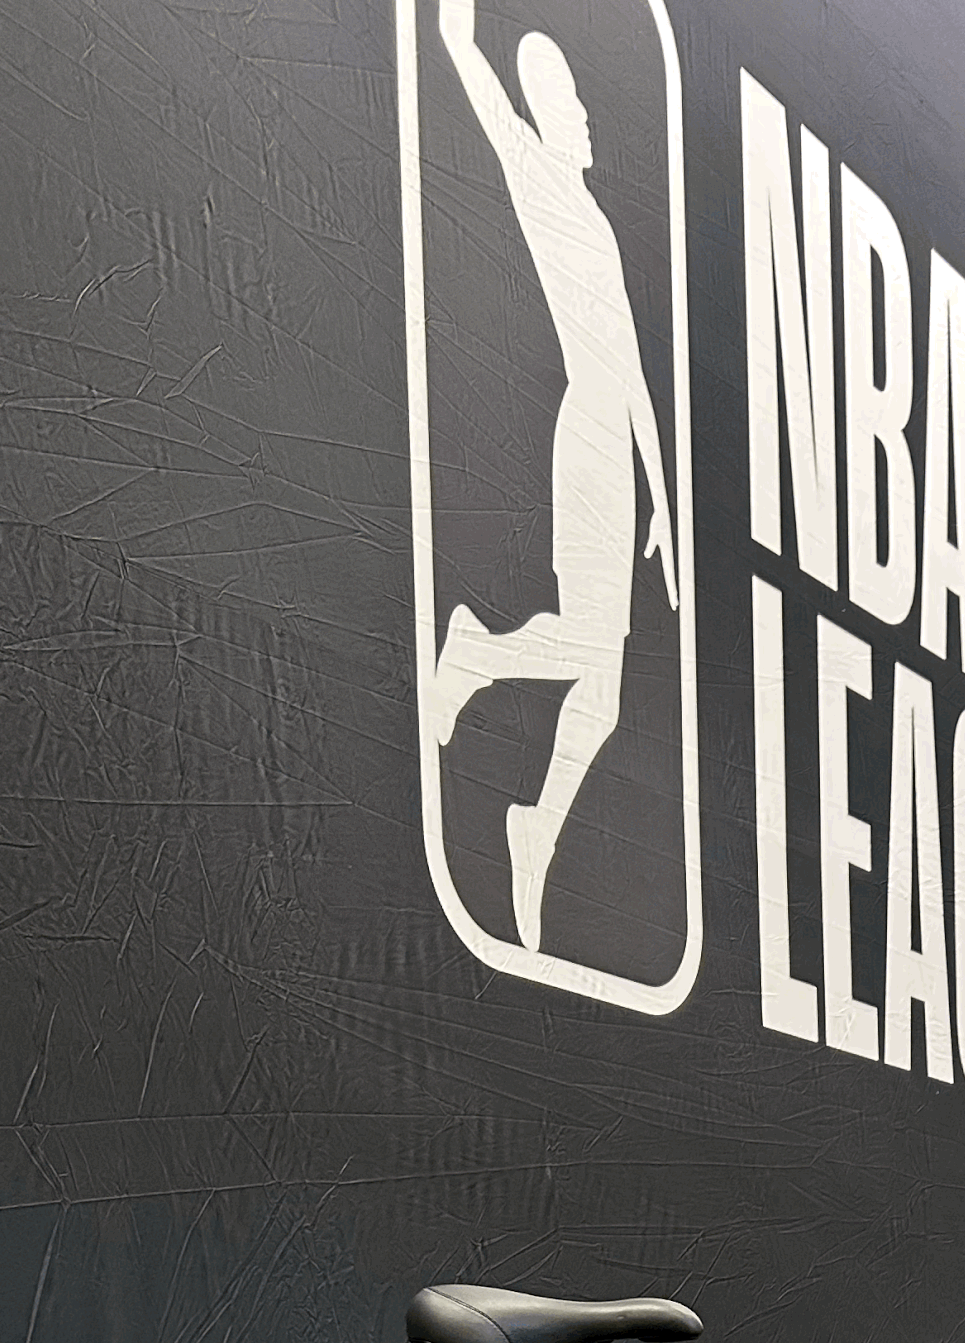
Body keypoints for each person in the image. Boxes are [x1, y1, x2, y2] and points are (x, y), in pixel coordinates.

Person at [433, 0, 678, 951]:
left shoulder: (597, 215)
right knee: (590, 657)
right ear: (542, 111)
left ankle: (533, 830)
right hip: (585, 438)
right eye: (564, 99)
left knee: (605, 694)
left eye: (579, 98)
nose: (582, 115)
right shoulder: (537, 173)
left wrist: (663, 493)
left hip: (619, 446)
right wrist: (459, 35)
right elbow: (484, 97)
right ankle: (476, 656)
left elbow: (633, 365)